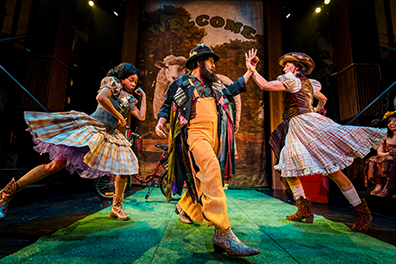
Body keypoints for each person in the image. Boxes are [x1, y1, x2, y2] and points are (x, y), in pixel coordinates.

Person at [249, 52, 387, 233]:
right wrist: (315, 110)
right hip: (299, 127)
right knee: (287, 167)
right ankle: (304, 209)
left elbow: (264, 85)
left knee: (332, 170)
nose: (284, 68)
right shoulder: (309, 83)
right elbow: (324, 99)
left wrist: (251, 69)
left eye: (287, 65)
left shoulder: (291, 79)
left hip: (304, 125)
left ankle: (362, 212)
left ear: (296, 67)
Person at [0, 62, 146, 221]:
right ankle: (8, 191)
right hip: (92, 129)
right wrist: (119, 116)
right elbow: (101, 98)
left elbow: (141, 116)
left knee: (123, 169)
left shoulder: (130, 99)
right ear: (122, 78)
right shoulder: (113, 84)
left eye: (135, 82)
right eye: (131, 80)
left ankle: (116, 208)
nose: (133, 84)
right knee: (55, 165)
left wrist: (144, 97)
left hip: (109, 135)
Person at [155, 44, 260, 256]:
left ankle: (185, 206)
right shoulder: (180, 83)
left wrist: (250, 71)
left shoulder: (216, 85)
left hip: (215, 136)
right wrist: (161, 120)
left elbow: (234, 89)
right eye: (210, 61)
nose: (213, 65)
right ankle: (223, 232)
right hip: (194, 133)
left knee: (203, 178)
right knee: (211, 170)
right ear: (198, 63)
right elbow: (167, 104)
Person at [365, 111, 396, 198]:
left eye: (394, 121)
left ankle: (388, 186)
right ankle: (379, 185)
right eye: (389, 122)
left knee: (391, 161)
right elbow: (380, 152)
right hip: (387, 155)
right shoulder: (384, 137)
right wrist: (389, 153)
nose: (392, 123)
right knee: (373, 160)